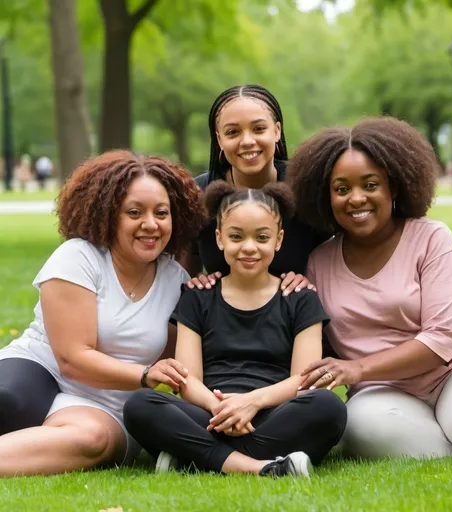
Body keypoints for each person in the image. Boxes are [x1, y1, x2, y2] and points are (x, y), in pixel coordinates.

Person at [287, 117, 452, 459]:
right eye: (342, 189)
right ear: (326, 197)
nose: (356, 198)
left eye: (370, 184)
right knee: (363, 431)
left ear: (393, 186)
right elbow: (310, 339)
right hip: (382, 391)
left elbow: (445, 339)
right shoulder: (319, 262)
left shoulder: (432, 238)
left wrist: (357, 368)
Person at [0, 150, 205, 476]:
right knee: (7, 400)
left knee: (92, 439)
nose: (150, 224)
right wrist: (144, 375)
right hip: (42, 371)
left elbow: (183, 360)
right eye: (134, 212)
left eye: (161, 213)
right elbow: (72, 359)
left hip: (108, 405)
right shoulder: (78, 257)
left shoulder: (178, 282)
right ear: (108, 214)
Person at [124, 182, 347, 477]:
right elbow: (187, 379)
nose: (249, 247)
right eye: (236, 236)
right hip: (207, 413)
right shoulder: (197, 296)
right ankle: (260, 466)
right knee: (140, 404)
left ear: (278, 240)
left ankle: (194, 458)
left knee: (328, 407)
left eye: (262, 237)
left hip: (272, 412)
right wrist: (221, 409)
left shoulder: (300, 298)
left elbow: (302, 381)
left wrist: (251, 402)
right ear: (219, 238)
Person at [180, 84, 330, 296]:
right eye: (233, 132)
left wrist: (309, 279)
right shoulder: (197, 195)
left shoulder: (307, 189)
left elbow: (334, 263)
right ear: (219, 138)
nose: (247, 141)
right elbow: (185, 272)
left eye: (259, 129)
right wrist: (199, 285)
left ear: (277, 131)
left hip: (297, 317)